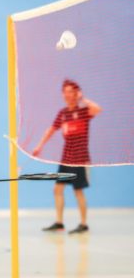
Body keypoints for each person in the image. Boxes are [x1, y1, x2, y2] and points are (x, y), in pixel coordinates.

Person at [33, 79, 102, 234]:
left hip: (80, 159)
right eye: (65, 91)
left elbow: (97, 109)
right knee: (57, 189)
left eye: (71, 91)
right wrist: (39, 146)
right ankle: (59, 223)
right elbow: (50, 130)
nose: (67, 95)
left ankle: (83, 224)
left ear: (76, 93)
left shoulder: (84, 112)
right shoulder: (63, 114)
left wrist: (83, 99)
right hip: (66, 158)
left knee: (78, 191)